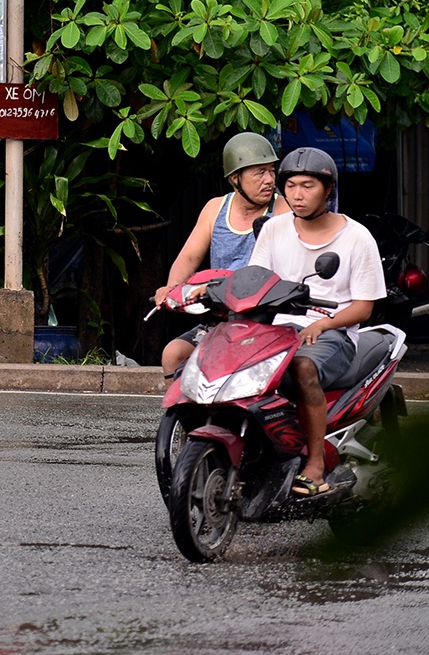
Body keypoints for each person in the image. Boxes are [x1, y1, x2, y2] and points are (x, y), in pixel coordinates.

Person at [249, 146, 387, 497]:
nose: (297, 194)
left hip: (334, 333)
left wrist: (323, 324)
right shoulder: (273, 229)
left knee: (303, 367)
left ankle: (314, 464)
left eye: (308, 186)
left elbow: (364, 307)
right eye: (291, 185)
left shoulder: (356, 237)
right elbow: (256, 281)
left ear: (328, 189)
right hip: (278, 328)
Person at [156, 131, 285, 376]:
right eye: (259, 172)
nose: (269, 179)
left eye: (271, 170)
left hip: (263, 320)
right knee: (173, 355)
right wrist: (172, 288)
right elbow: (189, 258)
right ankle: (184, 415)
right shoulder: (215, 208)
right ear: (235, 178)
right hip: (219, 318)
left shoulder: (281, 210)